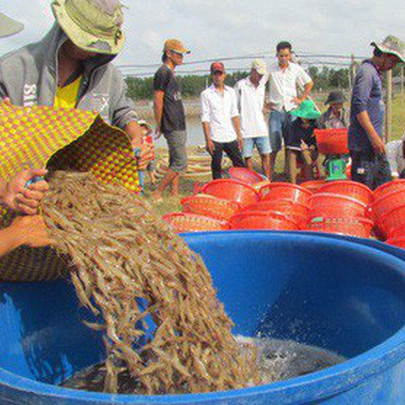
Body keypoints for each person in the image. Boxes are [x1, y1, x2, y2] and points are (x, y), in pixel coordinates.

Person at [0, 0, 153, 170]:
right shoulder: (12, 71)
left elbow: (123, 113)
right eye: (88, 41)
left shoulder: (109, 77)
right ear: (65, 27)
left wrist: (137, 139)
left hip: (86, 184)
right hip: (25, 185)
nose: (93, 50)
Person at [349, 35, 405, 190]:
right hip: (364, 145)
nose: (393, 66)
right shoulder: (367, 72)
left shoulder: (374, 73)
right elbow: (359, 107)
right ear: (384, 55)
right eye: (393, 61)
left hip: (374, 146)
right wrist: (374, 137)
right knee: (364, 190)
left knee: (384, 188)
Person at [268, 41, 314, 176]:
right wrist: (264, 104)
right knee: (274, 145)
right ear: (277, 55)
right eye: (281, 55)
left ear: (290, 55)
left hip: (292, 110)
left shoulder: (295, 69)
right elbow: (259, 85)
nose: (283, 58)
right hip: (276, 110)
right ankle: (270, 175)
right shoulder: (270, 69)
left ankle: (288, 173)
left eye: (286, 55)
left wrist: (301, 99)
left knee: (291, 145)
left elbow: (309, 83)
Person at [152, 39, 190, 200]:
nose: (182, 57)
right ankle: (158, 192)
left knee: (175, 159)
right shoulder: (163, 73)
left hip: (179, 123)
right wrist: (159, 124)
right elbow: (158, 99)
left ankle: (174, 193)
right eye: (179, 54)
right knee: (181, 162)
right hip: (172, 123)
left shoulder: (171, 74)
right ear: (169, 53)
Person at [201, 62, 245, 179]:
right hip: (216, 136)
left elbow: (234, 114)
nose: (218, 77)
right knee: (216, 166)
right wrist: (208, 139)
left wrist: (239, 135)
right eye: (215, 74)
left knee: (239, 163)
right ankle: (217, 188)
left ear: (224, 75)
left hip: (230, 135)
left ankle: (242, 185)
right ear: (212, 75)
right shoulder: (206, 94)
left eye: (220, 74)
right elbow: (205, 118)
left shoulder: (230, 92)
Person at [235, 59, 271, 179]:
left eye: (262, 75)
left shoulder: (262, 86)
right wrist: (238, 131)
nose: (260, 77)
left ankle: (268, 182)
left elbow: (260, 105)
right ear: (253, 71)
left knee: (266, 155)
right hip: (245, 129)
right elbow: (235, 108)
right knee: (248, 157)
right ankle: (251, 182)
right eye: (259, 74)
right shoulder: (241, 85)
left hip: (261, 128)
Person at [284, 100, 321, 184]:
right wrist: (299, 145)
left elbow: (319, 141)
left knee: (305, 153)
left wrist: (310, 147)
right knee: (291, 154)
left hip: (311, 151)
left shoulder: (316, 125)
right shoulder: (294, 125)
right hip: (297, 150)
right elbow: (290, 141)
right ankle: (292, 183)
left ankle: (310, 181)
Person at [138, 120, 157, 189]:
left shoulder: (148, 138)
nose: (143, 131)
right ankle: (141, 184)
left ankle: (153, 181)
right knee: (141, 170)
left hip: (150, 157)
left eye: (144, 129)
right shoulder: (138, 139)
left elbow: (151, 146)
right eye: (141, 129)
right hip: (143, 157)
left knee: (151, 169)